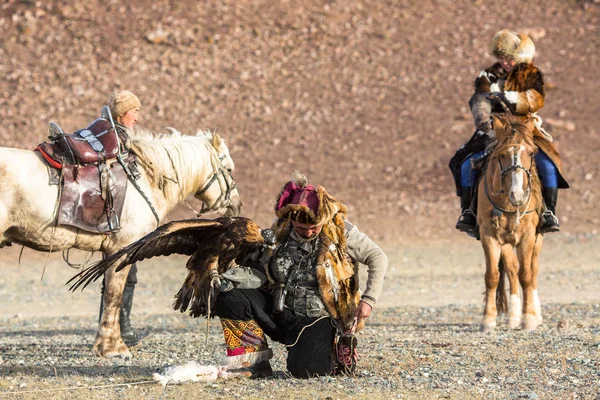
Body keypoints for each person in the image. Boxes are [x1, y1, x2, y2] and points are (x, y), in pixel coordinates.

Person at [214, 171, 388, 378]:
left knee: (306, 371)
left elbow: (378, 256)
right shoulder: (281, 229)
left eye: (314, 228)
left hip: (319, 317)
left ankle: (333, 348)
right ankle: (252, 362)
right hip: (280, 308)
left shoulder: (341, 231)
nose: (307, 232)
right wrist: (230, 277)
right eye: (301, 228)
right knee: (231, 298)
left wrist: (368, 300)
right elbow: (262, 269)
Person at [449, 29, 569, 235]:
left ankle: (549, 212)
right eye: (502, 57)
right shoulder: (487, 75)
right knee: (465, 165)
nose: (505, 62)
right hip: (495, 129)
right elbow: (479, 100)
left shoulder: (531, 74)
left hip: (526, 128)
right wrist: (484, 121)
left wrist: (507, 98)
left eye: (510, 58)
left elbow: (535, 99)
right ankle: (468, 212)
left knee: (548, 166)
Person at [99, 90, 142, 346]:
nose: (137, 117)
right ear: (123, 113)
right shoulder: (116, 140)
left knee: (127, 274)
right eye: (134, 111)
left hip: (119, 217)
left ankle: (119, 325)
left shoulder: (113, 135)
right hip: (117, 221)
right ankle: (120, 327)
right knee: (125, 274)